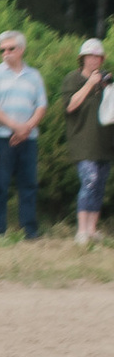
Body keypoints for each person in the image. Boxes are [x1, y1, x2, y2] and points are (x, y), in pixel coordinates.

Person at [0, 29, 47, 240]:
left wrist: (26, 128)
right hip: (1, 136)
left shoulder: (34, 75)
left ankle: (30, 230)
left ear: (22, 49)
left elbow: (41, 106)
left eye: (10, 49)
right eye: (2, 50)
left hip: (29, 137)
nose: (6, 53)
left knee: (28, 184)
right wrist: (14, 126)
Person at [63, 38, 110, 246]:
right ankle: (81, 230)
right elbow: (70, 106)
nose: (93, 60)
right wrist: (90, 84)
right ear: (81, 59)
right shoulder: (73, 79)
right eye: (89, 56)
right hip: (82, 142)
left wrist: (105, 85)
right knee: (89, 181)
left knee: (99, 185)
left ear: (102, 59)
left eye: (96, 57)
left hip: (105, 142)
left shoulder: (106, 79)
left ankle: (92, 229)